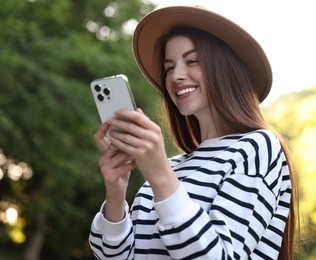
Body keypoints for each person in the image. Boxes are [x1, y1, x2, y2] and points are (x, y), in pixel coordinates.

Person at [89, 5, 298, 260]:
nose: (176, 76)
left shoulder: (256, 148)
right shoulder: (170, 167)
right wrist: (116, 192)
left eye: (191, 61)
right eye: (168, 67)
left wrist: (160, 176)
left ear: (224, 68)